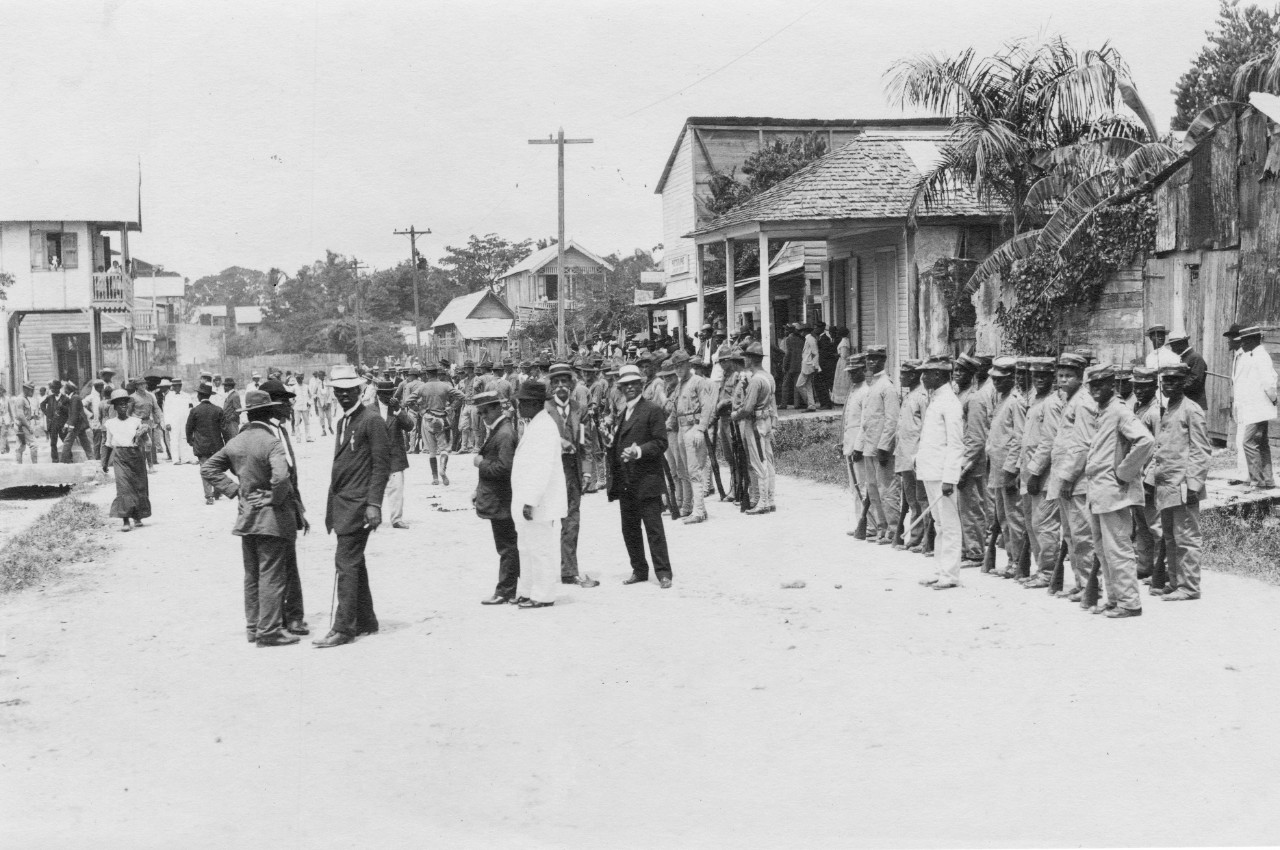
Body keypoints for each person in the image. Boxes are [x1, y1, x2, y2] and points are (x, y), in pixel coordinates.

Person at [201, 389, 303, 647]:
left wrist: (236, 491)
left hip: (246, 516)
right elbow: (281, 477)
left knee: (252, 575)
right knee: (272, 573)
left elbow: (208, 468)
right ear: (268, 413)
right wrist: (272, 498)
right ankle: (269, 631)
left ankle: (254, 626)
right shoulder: (271, 442)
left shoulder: (235, 442)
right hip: (272, 519)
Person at [315, 365, 390, 648]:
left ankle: (343, 628)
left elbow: (381, 466)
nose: (343, 396)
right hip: (342, 504)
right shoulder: (342, 423)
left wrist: (374, 503)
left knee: (345, 563)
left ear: (359, 390)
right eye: (338, 391)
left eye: (348, 391)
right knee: (354, 562)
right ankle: (365, 620)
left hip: (359, 505)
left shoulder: (372, 421)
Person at [1084, 364, 1154, 618]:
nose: (1095, 390)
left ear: (1112, 385)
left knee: (1118, 548)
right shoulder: (1101, 411)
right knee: (1102, 549)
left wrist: (1125, 472)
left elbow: (1146, 441)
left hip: (1115, 492)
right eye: (1091, 385)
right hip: (1099, 492)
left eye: (1100, 385)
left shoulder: (1119, 411)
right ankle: (1114, 598)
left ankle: (1130, 602)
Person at [1147, 363, 1210, 602]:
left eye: (1174, 381)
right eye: (1165, 381)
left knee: (1186, 538)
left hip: (1184, 486)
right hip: (1166, 486)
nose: (1168, 385)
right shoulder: (1167, 409)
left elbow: (1201, 449)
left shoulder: (1191, 410)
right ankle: (1175, 582)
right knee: (1170, 537)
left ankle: (1190, 586)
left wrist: (1194, 485)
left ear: (1184, 383)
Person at [609, 364, 673, 588]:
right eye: (626, 385)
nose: (630, 389)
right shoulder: (623, 412)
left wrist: (638, 451)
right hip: (626, 481)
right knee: (630, 529)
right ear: (621, 388)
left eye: (634, 384)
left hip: (647, 479)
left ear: (641, 385)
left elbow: (661, 442)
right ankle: (639, 569)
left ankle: (663, 573)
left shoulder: (652, 410)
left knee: (654, 528)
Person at [258, 379, 311, 636]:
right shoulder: (263, 434)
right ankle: (284, 617)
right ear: (273, 405)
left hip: (288, 503)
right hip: (274, 507)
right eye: (285, 402)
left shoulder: (282, 431)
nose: (290, 406)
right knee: (278, 565)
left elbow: (291, 472)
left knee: (288, 561)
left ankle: (292, 616)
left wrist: (298, 506)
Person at [507, 381, 567, 609]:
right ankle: (527, 590)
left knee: (540, 548)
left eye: (522, 402)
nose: (519, 406)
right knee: (525, 546)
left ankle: (543, 594)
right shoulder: (534, 424)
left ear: (534, 403)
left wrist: (531, 500)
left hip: (537, 501)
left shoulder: (544, 427)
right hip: (525, 497)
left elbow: (541, 468)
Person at [545, 363, 600, 588]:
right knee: (544, 523)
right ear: (551, 385)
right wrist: (558, 442)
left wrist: (587, 473)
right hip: (549, 474)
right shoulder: (542, 409)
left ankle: (569, 571)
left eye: (564, 381)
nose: (561, 386)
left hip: (573, 473)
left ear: (571, 384)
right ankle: (542, 574)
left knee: (572, 522)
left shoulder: (580, 409)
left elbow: (587, 443)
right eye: (556, 382)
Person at [915, 356, 965, 590]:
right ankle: (940, 570)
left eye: (927, 373)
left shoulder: (950, 402)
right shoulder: (935, 399)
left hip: (942, 474)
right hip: (930, 470)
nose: (922, 377)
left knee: (949, 524)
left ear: (939, 375)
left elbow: (956, 444)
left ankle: (950, 574)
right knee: (939, 524)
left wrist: (949, 478)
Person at [474, 391, 522, 605]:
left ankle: (505, 590)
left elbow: (504, 468)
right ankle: (514, 587)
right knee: (508, 545)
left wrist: (480, 463)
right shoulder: (499, 430)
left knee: (506, 546)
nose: (483, 415)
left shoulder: (503, 433)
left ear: (498, 408)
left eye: (486, 411)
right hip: (499, 497)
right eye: (481, 412)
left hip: (502, 499)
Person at [983, 357, 1024, 575]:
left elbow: (1019, 438)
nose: (996, 383)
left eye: (1001, 379)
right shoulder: (1001, 400)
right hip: (997, 467)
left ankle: (1017, 561)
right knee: (1002, 517)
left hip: (1007, 470)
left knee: (1013, 518)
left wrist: (1011, 469)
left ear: (1012, 378)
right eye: (994, 379)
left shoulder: (1015, 402)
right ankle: (1012, 559)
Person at [732, 341, 778, 515]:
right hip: (765, 420)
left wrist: (735, 415)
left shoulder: (755, 380)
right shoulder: (769, 376)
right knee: (768, 461)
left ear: (751, 359)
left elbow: (747, 408)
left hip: (756, 423)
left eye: (746, 358)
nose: (745, 361)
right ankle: (770, 498)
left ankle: (764, 502)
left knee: (759, 462)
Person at [860, 345, 900, 542]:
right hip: (869, 446)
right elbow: (867, 419)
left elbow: (892, 420)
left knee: (888, 490)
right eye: (868, 358)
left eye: (875, 358)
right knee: (873, 489)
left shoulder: (887, 386)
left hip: (881, 448)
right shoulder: (872, 385)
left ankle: (893, 530)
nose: (871, 362)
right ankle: (881, 528)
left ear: (883, 360)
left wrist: (885, 446)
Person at [954, 354, 991, 567]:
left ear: (972, 374)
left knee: (972, 508)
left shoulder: (974, 398)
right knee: (962, 508)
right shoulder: (959, 395)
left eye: (962, 371)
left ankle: (975, 551)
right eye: (956, 370)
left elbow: (976, 437)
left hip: (971, 463)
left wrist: (965, 466)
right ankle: (965, 548)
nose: (958, 374)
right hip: (961, 458)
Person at [1129, 366, 1164, 585]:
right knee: (1141, 524)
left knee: (1155, 525)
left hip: (1149, 478)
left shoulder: (1155, 412)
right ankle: (1144, 565)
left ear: (1154, 387)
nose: (1139, 391)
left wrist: (1150, 479)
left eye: (1144, 387)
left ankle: (1163, 569)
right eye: (1136, 387)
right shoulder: (1137, 408)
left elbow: (1160, 448)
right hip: (1136, 476)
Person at [672, 350, 716, 524]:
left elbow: (707, 406)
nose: (678, 369)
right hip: (682, 428)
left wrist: (701, 428)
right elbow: (674, 408)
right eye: (676, 366)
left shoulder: (698, 382)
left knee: (695, 470)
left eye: (681, 364)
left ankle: (698, 511)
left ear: (689, 365)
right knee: (686, 471)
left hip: (693, 427)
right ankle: (698, 508)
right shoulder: (680, 384)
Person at [101, 389, 152, 532]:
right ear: (115, 407)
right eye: (120, 404)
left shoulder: (136, 421)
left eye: (125, 404)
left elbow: (147, 443)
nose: (123, 406)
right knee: (123, 488)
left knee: (138, 486)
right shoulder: (110, 423)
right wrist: (104, 464)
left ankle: (137, 516)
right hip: (120, 457)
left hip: (135, 456)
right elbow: (107, 444)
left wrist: (144, 434)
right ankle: (125, 519)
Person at [1233, 326, 1277, 489]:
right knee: (1262, 443)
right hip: (1256, 408)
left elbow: (1268, 383)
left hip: (1258, 409)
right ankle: (1268, 480)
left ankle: (1257, 482)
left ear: (1253, 340)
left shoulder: (1260, 356)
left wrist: (1273, 400)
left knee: (1248, 442)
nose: (1242, 344)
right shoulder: (1254, 355)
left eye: (1244, 341)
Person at [373, 380, 415, 530]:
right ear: (378, 394)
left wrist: (398, 411)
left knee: (397, 489)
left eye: (391, 393)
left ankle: (396, 519)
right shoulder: (369, 410)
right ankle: (371, 518)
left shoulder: (396, 409)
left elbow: (410, 426)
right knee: (373, 488)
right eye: (385, 394)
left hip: (395, 455)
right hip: (375, 456)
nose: (388, 397)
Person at [842, 354, 870, 537]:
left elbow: (864, 423)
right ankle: (859, 521)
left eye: (856, 371)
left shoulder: (866, 392)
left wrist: (858, 447)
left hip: (858, 446)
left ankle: (868, 523)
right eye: (850, 372)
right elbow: (847, 420)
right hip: (849, 443)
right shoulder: (853, 391)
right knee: (855, 486)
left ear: (864, 371)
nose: (852, 375)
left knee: (863, 485)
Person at [187, 382, 227, 505]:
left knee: (205, 470)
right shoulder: (218, 410)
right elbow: (224, 429)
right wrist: (226, 443)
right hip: (217, 445)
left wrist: (191, 441)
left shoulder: (195, 411)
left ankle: (209, 496)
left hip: (201, 446)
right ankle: (217, 490)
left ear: (199, 395)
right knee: (216, 468)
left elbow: (189, 428)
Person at [1167, 333, 1208, 411]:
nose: (1172, 349)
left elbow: (1195, 380)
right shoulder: (1184, 358)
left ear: (1181, 343)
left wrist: (1177, 389)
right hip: (1185, 403)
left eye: (1173, 345)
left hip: (1195, 403)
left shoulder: (1196, 358)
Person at [58, 381, 92, 462]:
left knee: (67, 442)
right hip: (78, 424)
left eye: (65, 388)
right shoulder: (72, 397)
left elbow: (74, 413)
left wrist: (70, 426)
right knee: (85, 443)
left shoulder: (75, 398)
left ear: (68, 389)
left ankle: (62, 461)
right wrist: (67, 424)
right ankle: (92, 458)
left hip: (76, 425)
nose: (64, 390)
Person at [164, 379, 194, 463]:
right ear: (172, 386)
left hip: (184, 420)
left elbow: (190, 408)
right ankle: (175, 459)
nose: (176, 387)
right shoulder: (169, 396)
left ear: (181, 386)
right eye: (174, 386)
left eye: (178, 385)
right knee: (174, 440)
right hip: (173, 421)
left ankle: (185, 458)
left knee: (184, 438)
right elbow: (166, 410)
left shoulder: (186, 395)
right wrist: (167, 423)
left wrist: (190, 421)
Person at [7, 382, 38, 463]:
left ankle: (19, 466)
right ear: (25, 389)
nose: (32, 392)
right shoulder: (21, 399)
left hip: (21, 425)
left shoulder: (24, 398)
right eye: (31, 390)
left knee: (20, 446)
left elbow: (24, 414)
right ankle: (35, 466)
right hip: (23, 426)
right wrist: (29, 427)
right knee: (33, 445)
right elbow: (20, 415)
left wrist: (32, 417)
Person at [815, 321, 838, 409]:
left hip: (824, 366)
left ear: (821, 328)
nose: (815, 329)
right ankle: (824, 403)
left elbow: (824, 354)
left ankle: (826, 404)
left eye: (817, 327)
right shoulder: (820, 338)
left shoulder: (824, 339)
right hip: (822, 365)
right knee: (821, 385)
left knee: (822, 385)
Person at [797, 326, 820, 411]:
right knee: (808, 386)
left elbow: (815, 353)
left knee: (799, 385)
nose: (800, 333)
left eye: (802, 331)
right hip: (807, 365)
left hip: (808, 365)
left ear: (805, 331)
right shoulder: (809, 339)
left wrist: (816, 366)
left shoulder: (810, 339)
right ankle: (811, 405)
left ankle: (810, 403)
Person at [832, 328, 852, 404]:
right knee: (841, 379)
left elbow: (844, 355)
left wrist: (837, 354)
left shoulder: (844, 342)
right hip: (843, 362)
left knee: (843, 379)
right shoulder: (845, 341)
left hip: (843, 362)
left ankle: (843, 399)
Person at [221, 377, 243, 445]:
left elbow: (238, 410)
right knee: (228, 441)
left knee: (233, 441)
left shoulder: (235, 395)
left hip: (232, 423)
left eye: (225, 386)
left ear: (229, 386)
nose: (224, 387)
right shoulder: (229, 395)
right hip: (227, 423)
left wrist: (229, 418)